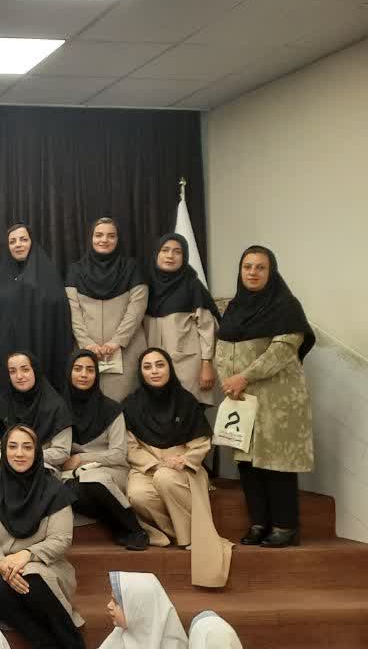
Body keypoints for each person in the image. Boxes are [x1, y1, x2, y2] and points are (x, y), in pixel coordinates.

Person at [214, 245, 315, 549]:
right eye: (247, 267)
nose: (253, 272)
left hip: (277, 400)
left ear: (271, 272)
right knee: (247, 464)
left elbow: (282, 351)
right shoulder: (234, 307)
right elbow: (222, 346)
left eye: (260, 267)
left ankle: (285, 527)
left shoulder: (286, 306)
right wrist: (227, 381)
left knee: (276, 464)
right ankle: (259, 523)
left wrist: (243, 377)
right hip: (241, 398)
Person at [124, 348, 232, 588]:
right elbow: (130, 447)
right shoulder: (131, 405)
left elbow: (202, 442)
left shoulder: (186, 401)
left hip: (183, 465)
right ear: (141, 373)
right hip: (146, 465)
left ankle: (189, 538)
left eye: (160, 365)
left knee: (165, 478)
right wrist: (154, 464)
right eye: (147, 367)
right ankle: (180, 532)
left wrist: (184, 459)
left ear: (169, 368)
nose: (154, 371)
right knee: (137, 494)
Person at [0, 425, 84, 649]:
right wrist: (2, 564)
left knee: (33, 578)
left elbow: (61, 539)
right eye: (12, 447)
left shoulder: (54, 489)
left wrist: (26, 554)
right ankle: (44, 643)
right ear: (4, 451)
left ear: (37, 452)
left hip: (44, 564)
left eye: (27, 447)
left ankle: (72, 643)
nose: (19, 453)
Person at [63, 350, 148, 550]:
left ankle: (134, 529)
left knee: (93, 480)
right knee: (67, 488)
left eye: (90, 370)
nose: (84, 374)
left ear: (97, 374)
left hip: (111, 471)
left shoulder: (111, 409)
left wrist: (81, 458)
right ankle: (114, 524)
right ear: (69, 372)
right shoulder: (59, 408)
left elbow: (119, 454)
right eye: (78, 369)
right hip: (72, 474)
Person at [0, 223, 71, 396]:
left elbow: (58, 315)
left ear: (32, 242)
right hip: (6, 350)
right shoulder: (0, 278)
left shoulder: (48, 276)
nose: (18, 244)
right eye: (12, 241)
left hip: (40, 346)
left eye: (23, 239)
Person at [65, 217, 150, 401]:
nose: (104, 240)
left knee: (126, 405)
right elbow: (72, 311)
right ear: (91, 238)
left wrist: (117, 341)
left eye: (111, 236)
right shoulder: (75, 270)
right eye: (99, 235)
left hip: (127, 350)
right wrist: (87, 343)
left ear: (118, 240)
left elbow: (137, 309)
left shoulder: (131, 268)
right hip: (86, 351)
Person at [143, 233, 219, 405]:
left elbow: (207, 328)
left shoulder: (192, 285)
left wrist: (207, 364)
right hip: (153, 366)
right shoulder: (145, 286)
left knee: (189, 410)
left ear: (184, 257)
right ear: (156, 254)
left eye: (177, 252)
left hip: (188, 366)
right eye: (165, 250)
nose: (170, 256)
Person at [0, 352, 72, 472]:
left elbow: (62, 451)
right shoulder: (2, 404)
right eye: (13, 371)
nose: (19, 376)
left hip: (43, 466)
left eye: (25, 370)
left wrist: (27, 457)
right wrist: (9, 459)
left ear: (35, 371)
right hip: (6, 467)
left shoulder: (56, 406)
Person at [99, 571, 188, 649]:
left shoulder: (173, 645)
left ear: (137, 609)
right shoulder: (117, 638)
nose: (109, 605)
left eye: (116, 602)